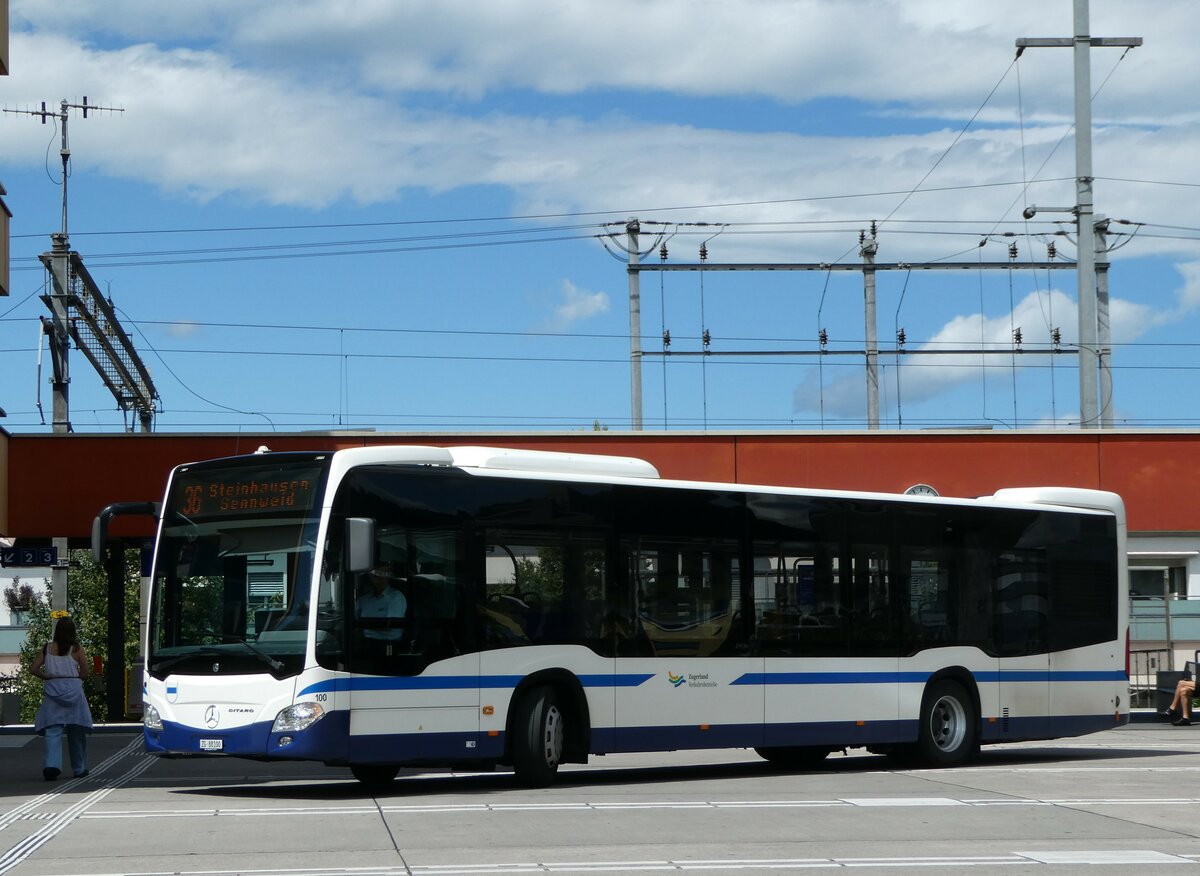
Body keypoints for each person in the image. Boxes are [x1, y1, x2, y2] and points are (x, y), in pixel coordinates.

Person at [29, 616, 94, 780]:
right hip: (73, 691)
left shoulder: (47, 648)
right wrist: (76, 678)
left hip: (53, 691)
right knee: (76, 730)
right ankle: (79, 768)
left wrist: (46, 677)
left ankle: (52, 765)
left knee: (53, 730)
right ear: (73, 632)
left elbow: (33, 669)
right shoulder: (77, 649)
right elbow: (85, 673)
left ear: (57, 631)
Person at [357, 566, 407, 642]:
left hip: (386, 644)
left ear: (389, 576)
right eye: (377, 574)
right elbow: (354, 620)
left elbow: (390, 625)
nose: (381, 577)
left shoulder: (396, 597)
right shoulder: (364, 600)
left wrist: (365, 628)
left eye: (384, 574)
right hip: (363, 642)